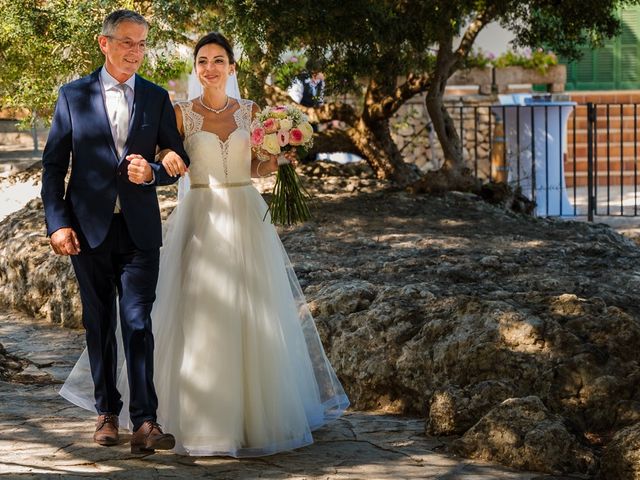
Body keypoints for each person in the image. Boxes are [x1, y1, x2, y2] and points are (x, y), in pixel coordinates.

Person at [60, 32, 349, 457]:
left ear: (232, 67)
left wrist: (279, 152)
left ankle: (254, 418)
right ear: (195, 68)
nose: (210, 68)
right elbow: (165, 160)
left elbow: (258, 167)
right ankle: (191, 418)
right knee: (198, 312)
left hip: (246, 215)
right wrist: (158, 167)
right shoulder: (179, 113)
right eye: (202, 61)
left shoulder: (252, 113)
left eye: (218, 60)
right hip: (201, 218)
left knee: (253, 312)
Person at [42, 10, 189, 454]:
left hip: (141, 231)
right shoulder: (72, 96)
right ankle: (107, 413)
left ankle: (145, 422)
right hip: (87, 230)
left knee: (138, 323)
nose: (136, 52)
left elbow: (176, 157)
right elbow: (53, 166)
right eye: (128, 42)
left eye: (143, 44)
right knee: (99, 322)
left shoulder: (156, 96)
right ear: (104, 43)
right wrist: (57, 222)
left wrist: (154, 174)